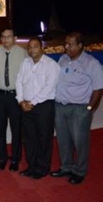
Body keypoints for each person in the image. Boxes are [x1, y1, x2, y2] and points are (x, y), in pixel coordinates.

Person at [51, 32, 103, 184]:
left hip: (79, 109)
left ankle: (80, 170)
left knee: (80, 141)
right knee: (63, 140)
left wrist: (89, 109)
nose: (67, 47)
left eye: (71, 44)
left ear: (80, 45)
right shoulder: (63, 59)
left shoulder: (91, 63)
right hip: (60, 107)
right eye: (66, 44)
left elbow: (99, 88)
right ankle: (66, 167)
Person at [16, 37, 60, 179]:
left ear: (42, 48)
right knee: (29, 138)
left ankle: (42, 168)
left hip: (43, 107)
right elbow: (19, 81)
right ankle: (31, 166)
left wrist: (32, 102)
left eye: (35, 46)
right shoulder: (25, 63)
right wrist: (21, 100)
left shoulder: (51, 64)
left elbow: (49, 87)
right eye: (29, 47)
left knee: (44, 138)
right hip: (26, 106)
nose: (32, 49)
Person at [0, 29, 27, 171]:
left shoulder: (23, 53)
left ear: (15, 38)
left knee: (16, 129)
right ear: (0, 38)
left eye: (9, 37)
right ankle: (2, 157)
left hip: (16, 96)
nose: (6, 39)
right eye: (3, 36)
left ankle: (15, 159)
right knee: (0, 129)